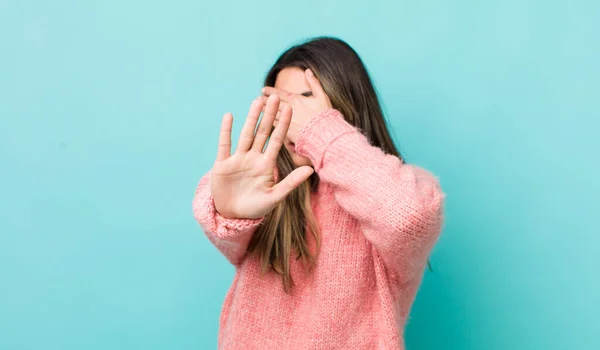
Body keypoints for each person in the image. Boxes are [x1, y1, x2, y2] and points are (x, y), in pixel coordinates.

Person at [192, 37, 444, 349]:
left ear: (344, 104)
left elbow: (408, 217)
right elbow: (218, 212)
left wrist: (321, 133)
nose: (291, 116)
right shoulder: (265, 186)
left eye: (307, 99)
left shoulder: (402, 187)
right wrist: (228, 212)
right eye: (280, 104)